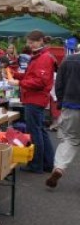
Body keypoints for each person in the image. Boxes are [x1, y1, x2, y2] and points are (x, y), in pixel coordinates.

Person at [11, 30, 57, 173]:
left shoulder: (43, 58)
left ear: (41, 41)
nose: (29, 45)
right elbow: (31, 76)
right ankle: (48, 163)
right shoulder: (40, 56)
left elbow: (40, 81)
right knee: (40, 131)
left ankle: (36, 165)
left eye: (32, 42)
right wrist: (16, 75)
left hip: (35, 99)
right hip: (36, 98)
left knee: (35, 132)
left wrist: (18, 83)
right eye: (28, 42)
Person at [49, 50, 80, 188]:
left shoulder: (68, 60)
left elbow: (59, 84)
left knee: (70, 138)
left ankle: (59, 167)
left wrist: (61, 102)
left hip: (71, 105)